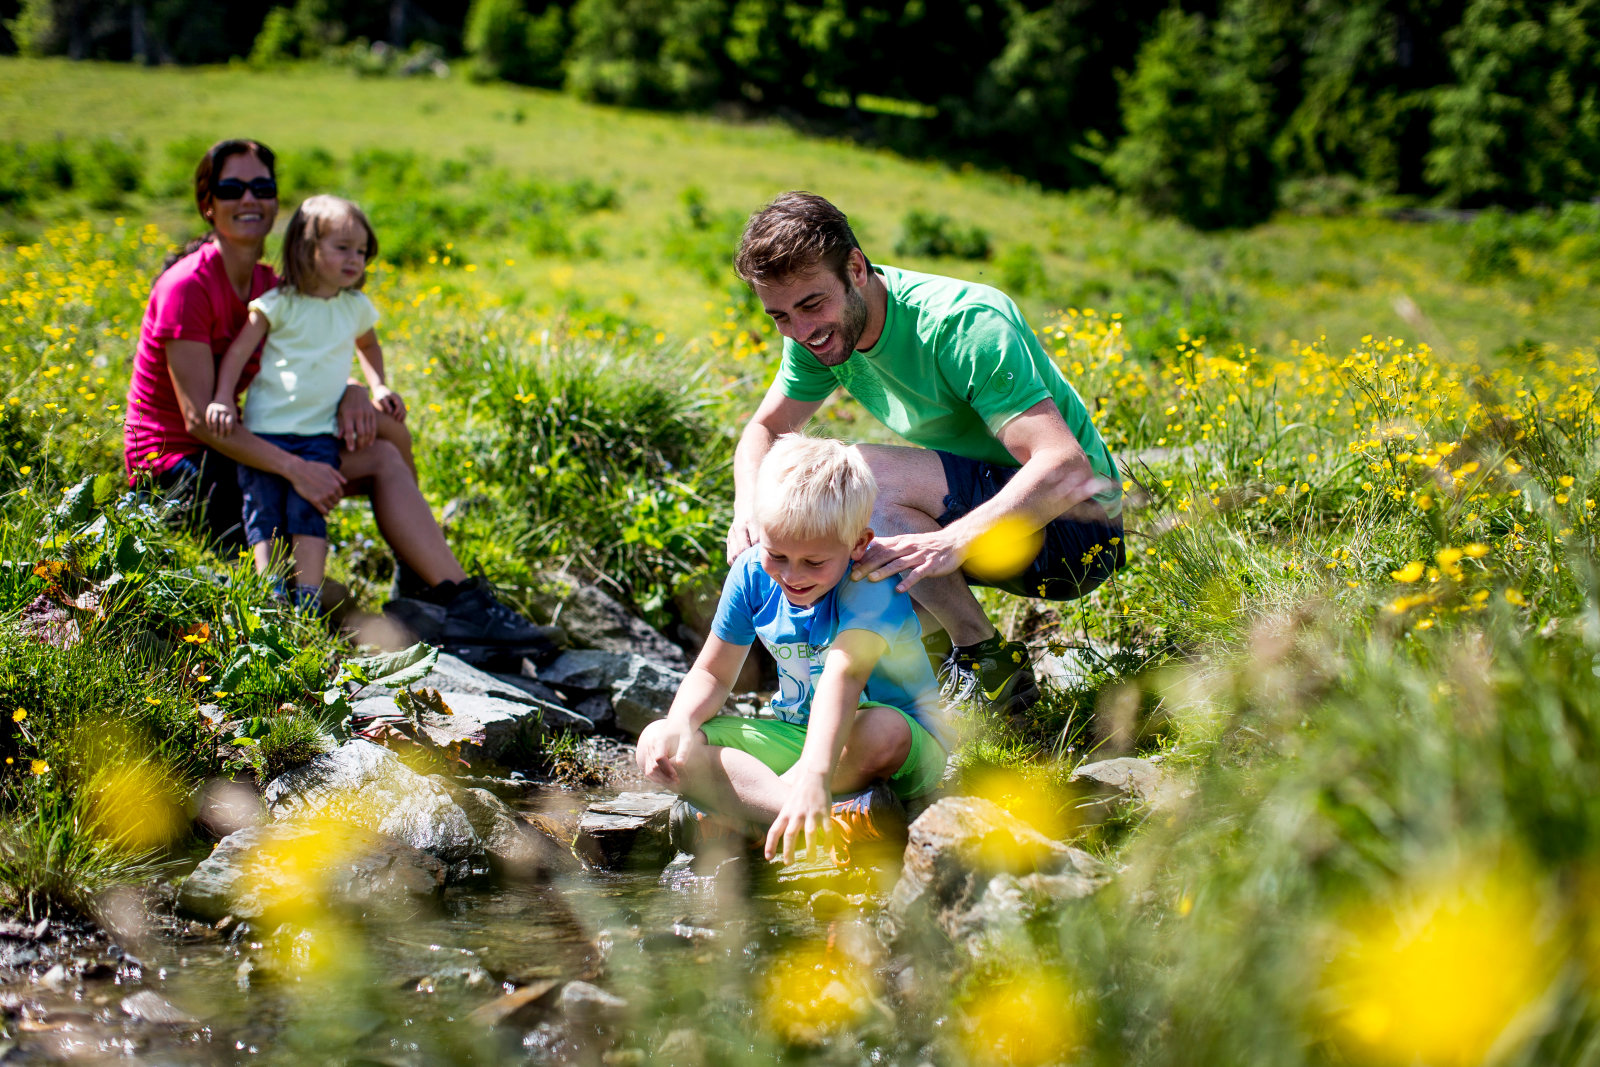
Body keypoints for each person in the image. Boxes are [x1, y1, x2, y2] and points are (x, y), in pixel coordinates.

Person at [123, 138, 550, 649]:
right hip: (182, 474)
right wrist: (297, 469)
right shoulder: (187, 286)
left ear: (276, 200)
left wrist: (352, 389)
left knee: (387, 437)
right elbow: (200, 421)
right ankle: (442, 598)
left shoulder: (269, 285)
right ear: (207, 203)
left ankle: (443, 593)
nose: (249, 198)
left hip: (246, 448)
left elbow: (299, 364)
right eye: (232, 188)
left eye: (262, 187)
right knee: (346, 556)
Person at [727, 192, 1124, 716]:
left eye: (811, 305)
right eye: (779, 316)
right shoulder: (816, 336)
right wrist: (748, 510)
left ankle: (986, 661)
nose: (801, 332)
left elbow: (1065, 467)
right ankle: (919, 689)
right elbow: (764, 429)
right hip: (991, 520)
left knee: (856, 476)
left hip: (1078, 530)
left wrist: (951, 542)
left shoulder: (962, 323)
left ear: (856, 269)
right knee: (825, 520)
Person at [635, 434, 951, 865]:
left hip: (888, 742)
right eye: (777, 554)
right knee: (662, 743)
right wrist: (679, 724)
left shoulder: (869, 582)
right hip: (798, 739)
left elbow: (844, 677)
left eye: (814, 562)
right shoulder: (751, 574)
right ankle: (810, 816)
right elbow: (712, 673)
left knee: (881, 729)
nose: (792, 575)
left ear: (858, 544)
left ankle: (754, 809)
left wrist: (816, 776)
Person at [203, 194, 396, 614]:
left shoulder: (355, 307)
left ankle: (307, 600)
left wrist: (378, 386)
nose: (355, 259)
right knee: (264, 509)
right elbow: (237, 353)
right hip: (265, 430)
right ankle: (269, 596)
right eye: (342, 248)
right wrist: (222, 398)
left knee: (309, 511)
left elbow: (368, 346)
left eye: (361, 251)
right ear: (308, 249)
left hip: (318, 432)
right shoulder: (279, 303)